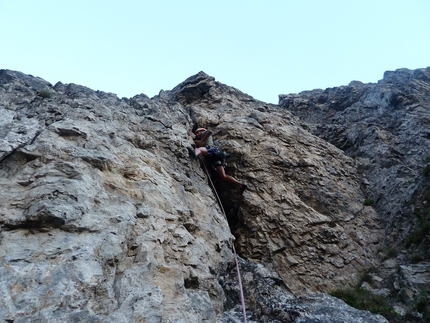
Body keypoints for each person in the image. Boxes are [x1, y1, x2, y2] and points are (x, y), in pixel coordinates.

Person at [190, 127, 247, 194]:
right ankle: (240, 184)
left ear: (201, 130)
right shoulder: (205, 139)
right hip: (216, 157)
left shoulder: (204, 133)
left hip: (211, 151)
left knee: (199, 149)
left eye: (197, 132)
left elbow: (210, 132)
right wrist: (198, 141)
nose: (197, 134)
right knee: (223, 176)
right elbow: (197, 142)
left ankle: (194, 154)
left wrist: (201, 141)